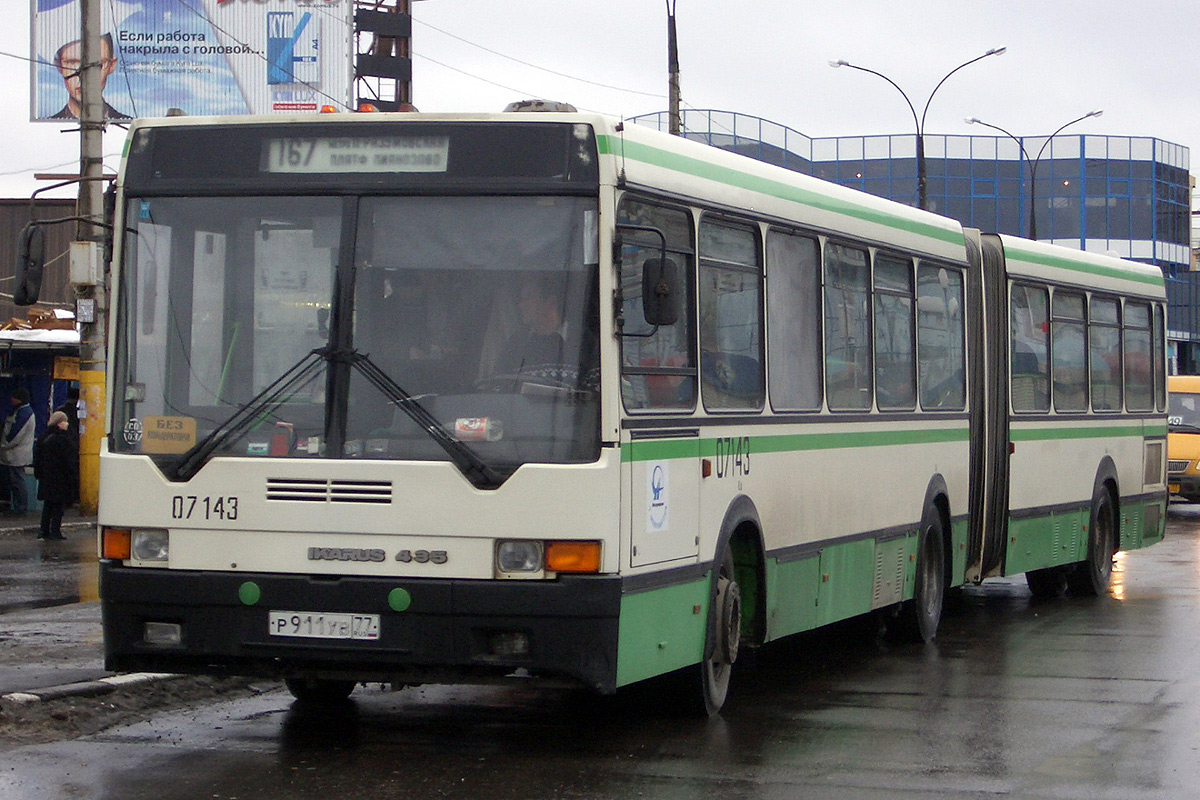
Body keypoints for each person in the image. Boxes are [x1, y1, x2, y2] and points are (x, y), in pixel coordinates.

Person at [49, 33, 131, 121]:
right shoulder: (46, 129)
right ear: (58, 65)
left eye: (97, 64)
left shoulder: (130, 127)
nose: (84, 77)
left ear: (111, 66)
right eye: (72, 62)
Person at [34, 411, 79, 540]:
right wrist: (72, 478)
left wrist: (39, 474)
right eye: (64, 421)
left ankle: (43, 531)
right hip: (60, 479)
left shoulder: (43, 437)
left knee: (47, 505)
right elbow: (68, 461)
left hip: (46, 478)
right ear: (59, 423)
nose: (67, 424)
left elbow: (37, 459)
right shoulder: (64, 439)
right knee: (58, 506)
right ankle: (55, 531)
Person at [0, 389, 36, 515]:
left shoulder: (24, 413)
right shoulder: (20, 411)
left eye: (14, 397)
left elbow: (15, 434)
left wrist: (3, 445)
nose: (11, 399)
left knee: (18, 481)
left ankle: (21, 507)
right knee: (15, 481)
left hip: (17, 454)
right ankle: (18, 506)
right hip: (14, 454)